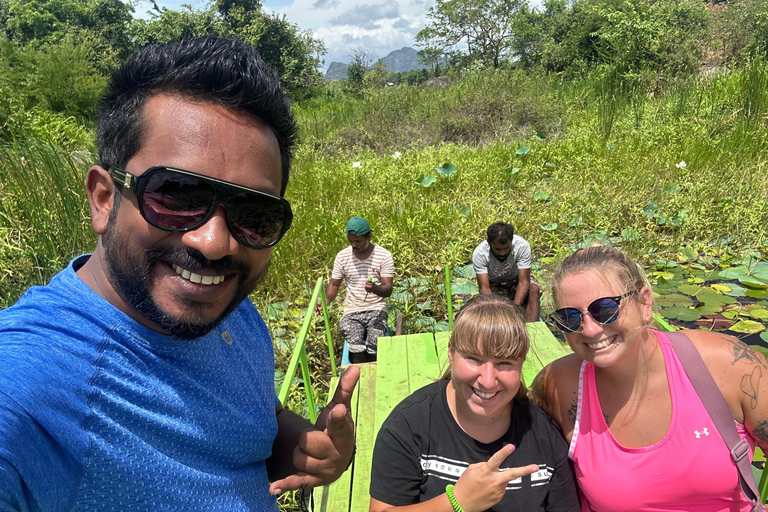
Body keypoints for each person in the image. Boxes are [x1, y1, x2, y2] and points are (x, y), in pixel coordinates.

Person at [0, 37, 358, 511]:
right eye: (175, 194)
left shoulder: (231, 314)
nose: (214, 243)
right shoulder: (31, 387)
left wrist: (297, 446)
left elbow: (250, 421)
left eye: (254, 213)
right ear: (104, 199)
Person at [531, 244, 768, 511]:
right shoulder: (556, 385)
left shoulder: (730, 364)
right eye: (570, 317)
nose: (589, 329)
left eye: (605, 308)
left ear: (644, 302)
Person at [369, 294, 580, 512]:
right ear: (451, 353)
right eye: (473, 359)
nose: (488, 381)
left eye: (504, 362)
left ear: (522, 361)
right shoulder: (409, 425)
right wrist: (457, 502)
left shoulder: (545, 437)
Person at [321, 217, 394, 363]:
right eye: (351, 241)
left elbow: (388, 289)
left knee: (375, 342)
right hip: (352, 310)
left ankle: (374, 370)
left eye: (358, 241)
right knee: (355, 342)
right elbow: (335, 284)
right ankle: (359, 375)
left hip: (376, 309)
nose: (354, 245)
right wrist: (326, 301)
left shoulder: (383, 256)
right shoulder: (342, 257)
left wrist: (375, 288)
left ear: (369, 237)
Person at [472, 222, 541, 322]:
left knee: (534, 289)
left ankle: (531, 328)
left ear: (511, 242)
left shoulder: (521, 246)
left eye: (506, 248)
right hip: (494, 284)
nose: (502, 253)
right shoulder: (480, 253)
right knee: (490, 305)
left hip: (516, 279)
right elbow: (484, 288)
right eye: (497, 249)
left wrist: (514, 310)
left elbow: (524, 282)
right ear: (489, 243)